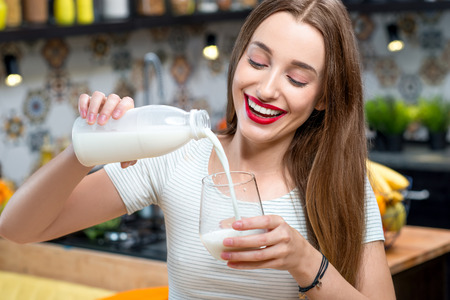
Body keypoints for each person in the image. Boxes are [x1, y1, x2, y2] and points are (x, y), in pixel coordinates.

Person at [0, 0, 396, 299]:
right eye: (258, 62)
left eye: (295, 78)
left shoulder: (337, 179)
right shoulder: (175, 155)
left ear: (324, 96)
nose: (267, 88)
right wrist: (84, 149)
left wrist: (304, 260)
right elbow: (17, 229)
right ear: (238, 59)